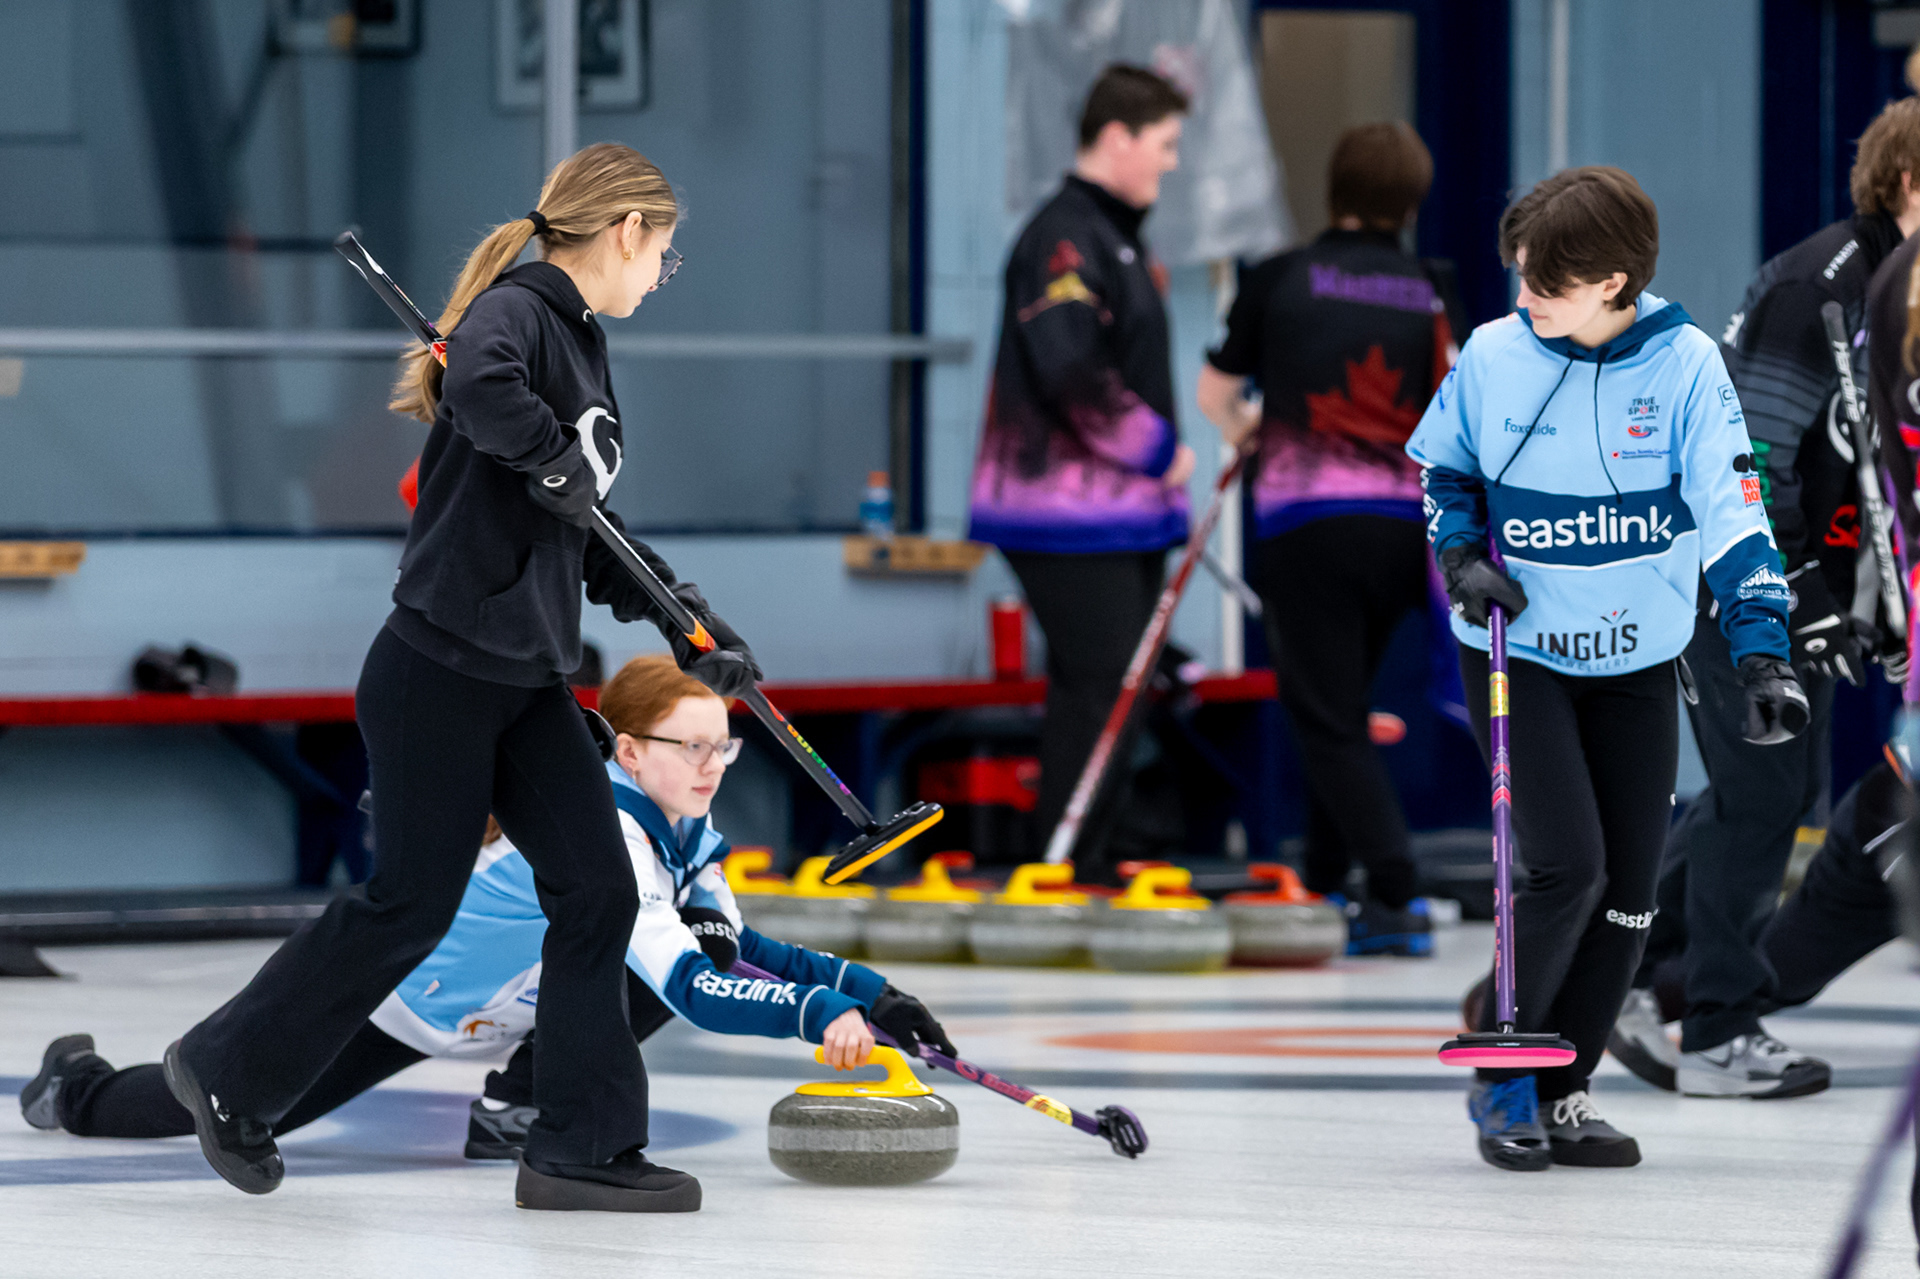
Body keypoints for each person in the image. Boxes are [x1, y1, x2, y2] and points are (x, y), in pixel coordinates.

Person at [154, 144, 768, 1213]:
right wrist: (549, 454)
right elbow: (481, 386)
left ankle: (576, 1146)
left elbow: (581, 525)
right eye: (663, 253)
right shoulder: (517, 311)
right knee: (408, 905)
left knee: (599, 891)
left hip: (527, 678)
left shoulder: (581, 341)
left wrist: (684, 617)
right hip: (437, 669)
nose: (660, 273)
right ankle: (224, 1071)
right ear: (626, 231)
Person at [19, 655, 956, 1188]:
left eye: (725, 747)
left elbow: (735, 951)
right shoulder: (612, 836)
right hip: (405, 1005)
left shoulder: (688, 833)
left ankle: (520, 1105)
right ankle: (77, 1089)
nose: (713, 766)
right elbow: (700, 991)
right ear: (629, 752)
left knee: (671, 954)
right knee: (223, 1104)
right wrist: (815, 1014)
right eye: (692, 746)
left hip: (519, 1006)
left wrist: (872, 993)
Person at [1407, 166, 1802, 1172]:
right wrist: (1461, 555)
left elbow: (1733, 509)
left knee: (1629, 893)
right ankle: (1505, 1074)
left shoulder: (1687, 366)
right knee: (1565, 867)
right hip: (1520, 647)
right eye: (1521, 277)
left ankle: (1567, 1084)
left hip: (1635, 656)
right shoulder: (1493, 354)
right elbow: (1445, 469)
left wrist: (1762, 647)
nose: (1526, 298)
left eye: (1548, 283)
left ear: (1614, 282)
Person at [1607, 98, 1920, 1102]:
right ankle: (1718, 1028)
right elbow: (1747, 455)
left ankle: (1605, 969)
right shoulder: (1822, 285)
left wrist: (1862, 600)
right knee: (1764, 789)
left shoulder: (1893, 288)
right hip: (1728, 569)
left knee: (1771, 788)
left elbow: (1870, 470)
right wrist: (1795, 590)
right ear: (1908, 182)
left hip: (1786, 577)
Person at [1197, 121, 1457, 956]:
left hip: (1305, 522)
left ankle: (1396, 891)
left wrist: (1247, 429)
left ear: (1334, 189)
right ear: (1410, 203)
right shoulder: (1432, 289)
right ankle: (1326, 877)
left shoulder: (1280, 277)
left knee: (1326, 716)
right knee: (1339, 707)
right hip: (1403, 528)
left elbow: (1214, 390)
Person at [967, 63, 1197, 884]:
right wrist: (1156, 448)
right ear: (1118, 137)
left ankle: (1080, 855)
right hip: (1064, 509)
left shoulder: (1116, 236)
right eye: (1164, 143)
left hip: (1117, 513)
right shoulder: (1065, 238)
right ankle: (1066, 862)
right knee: (1103, 685)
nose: (1171, 161)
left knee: (1107, 688)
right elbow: (1070, 370)